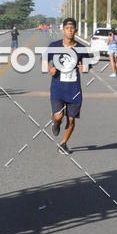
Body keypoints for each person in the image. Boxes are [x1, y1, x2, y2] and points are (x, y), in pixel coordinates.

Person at [48, 18, 87, 155]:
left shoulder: (81, 48)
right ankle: (56, 122)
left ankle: (63, 144)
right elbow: (45, 59)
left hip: (74, 90)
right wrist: (49, 69)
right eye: (67, 28)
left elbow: (87, 64)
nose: (70, 30)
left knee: (71, 120)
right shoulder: (54, 46)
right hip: (58, 88)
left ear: (75, 30)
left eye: (72, 28)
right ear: (63, 30)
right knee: (58, 116)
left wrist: (85, 67)